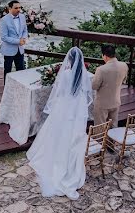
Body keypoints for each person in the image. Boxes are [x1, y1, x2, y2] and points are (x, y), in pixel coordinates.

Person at [26, 47, 93, 199]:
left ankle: (55, 158)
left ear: (69, 60)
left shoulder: (67, 74)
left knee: (57, 132)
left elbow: (60, 92)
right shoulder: (84, 75)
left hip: (65, 107)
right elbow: (85, 94)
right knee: (72, 136)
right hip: (77, 110)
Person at [92, 45, 128, 126]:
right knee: (113, 127)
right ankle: (112, 139)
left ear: (104, 55)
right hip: (116, 101)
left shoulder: (101, 69)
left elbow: (94, 86)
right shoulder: (124, 65)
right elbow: (124, 80)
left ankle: (101, 139)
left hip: (102, 104)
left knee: (100, 129)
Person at [0, 0, 28, 75]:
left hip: (20, 49)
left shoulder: (22, 17)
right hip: (9, 50)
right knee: (7, 71)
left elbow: (25, 30)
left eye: (19, 8)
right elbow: (4, 37)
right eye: (16, 8)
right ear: (10, 8)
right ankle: (6, 86)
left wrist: (24, 38)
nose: (18, 9)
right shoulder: (4, 20)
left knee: (21, 70)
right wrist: (18, 41)